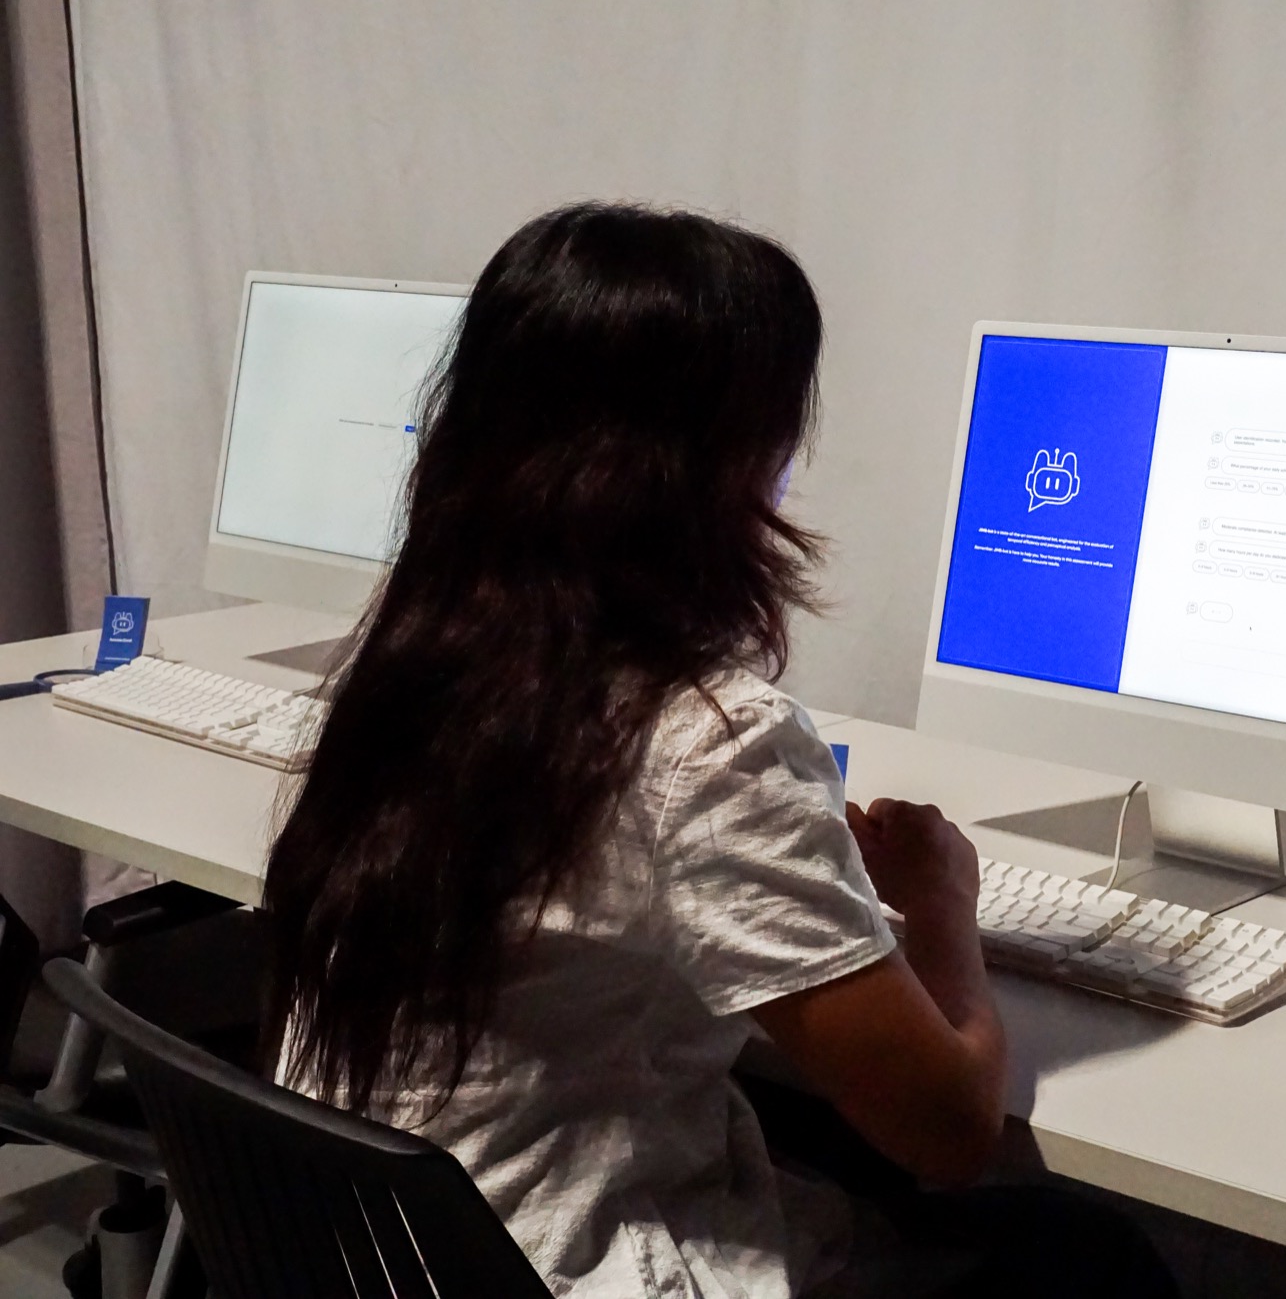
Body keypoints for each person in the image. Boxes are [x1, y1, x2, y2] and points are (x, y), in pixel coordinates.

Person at [261, 202, 1176, 1298]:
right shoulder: (701, 742)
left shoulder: (420, 664)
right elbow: (947, 1132)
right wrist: (942, 905)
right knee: (1089, 1253)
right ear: (725, 458)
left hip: (378, 1256)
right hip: (553, 1264)